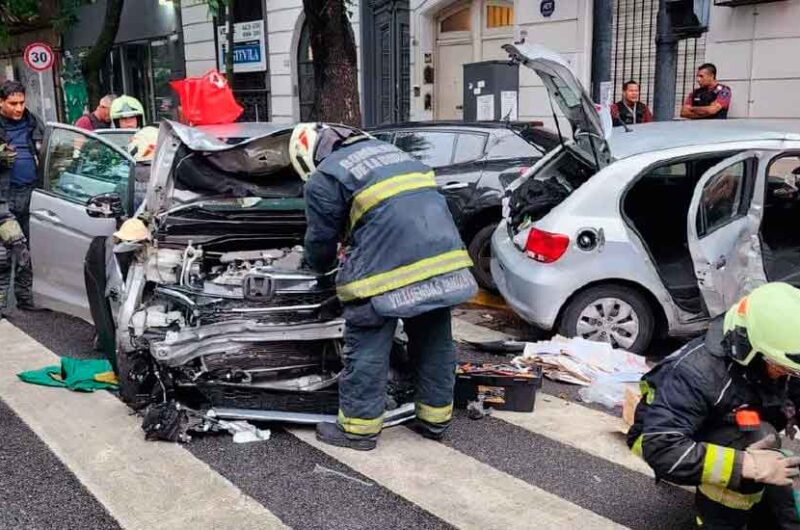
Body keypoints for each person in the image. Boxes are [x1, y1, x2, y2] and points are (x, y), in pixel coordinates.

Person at [291, 122, 478, 451]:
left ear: (307, 157)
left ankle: (358, 430)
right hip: (444, 264)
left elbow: (321, 242)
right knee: (435, 344)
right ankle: (435, 421)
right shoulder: (398, 156)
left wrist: (317, 268)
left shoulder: (327, 176)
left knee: (366, 348)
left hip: (385, 276)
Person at [628, 282, 800, 528]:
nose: (787, 375)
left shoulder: (777, 357)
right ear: (750, 350)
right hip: (660, 438)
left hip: (727, 419)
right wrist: (747, 466)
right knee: (758, 441)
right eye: (782, 368)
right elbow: (663, 449)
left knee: (770, 458)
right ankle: (721, 522)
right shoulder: (695, 372)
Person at [0, 80, 44, 314]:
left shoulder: (33, 122)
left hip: (31, 193)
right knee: (4, 254)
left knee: (28, 250)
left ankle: (26, 298)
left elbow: (49, 151)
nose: (18, 108)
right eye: (12, 103)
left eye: (21, 103)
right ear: (1, 102)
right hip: (3, 199)